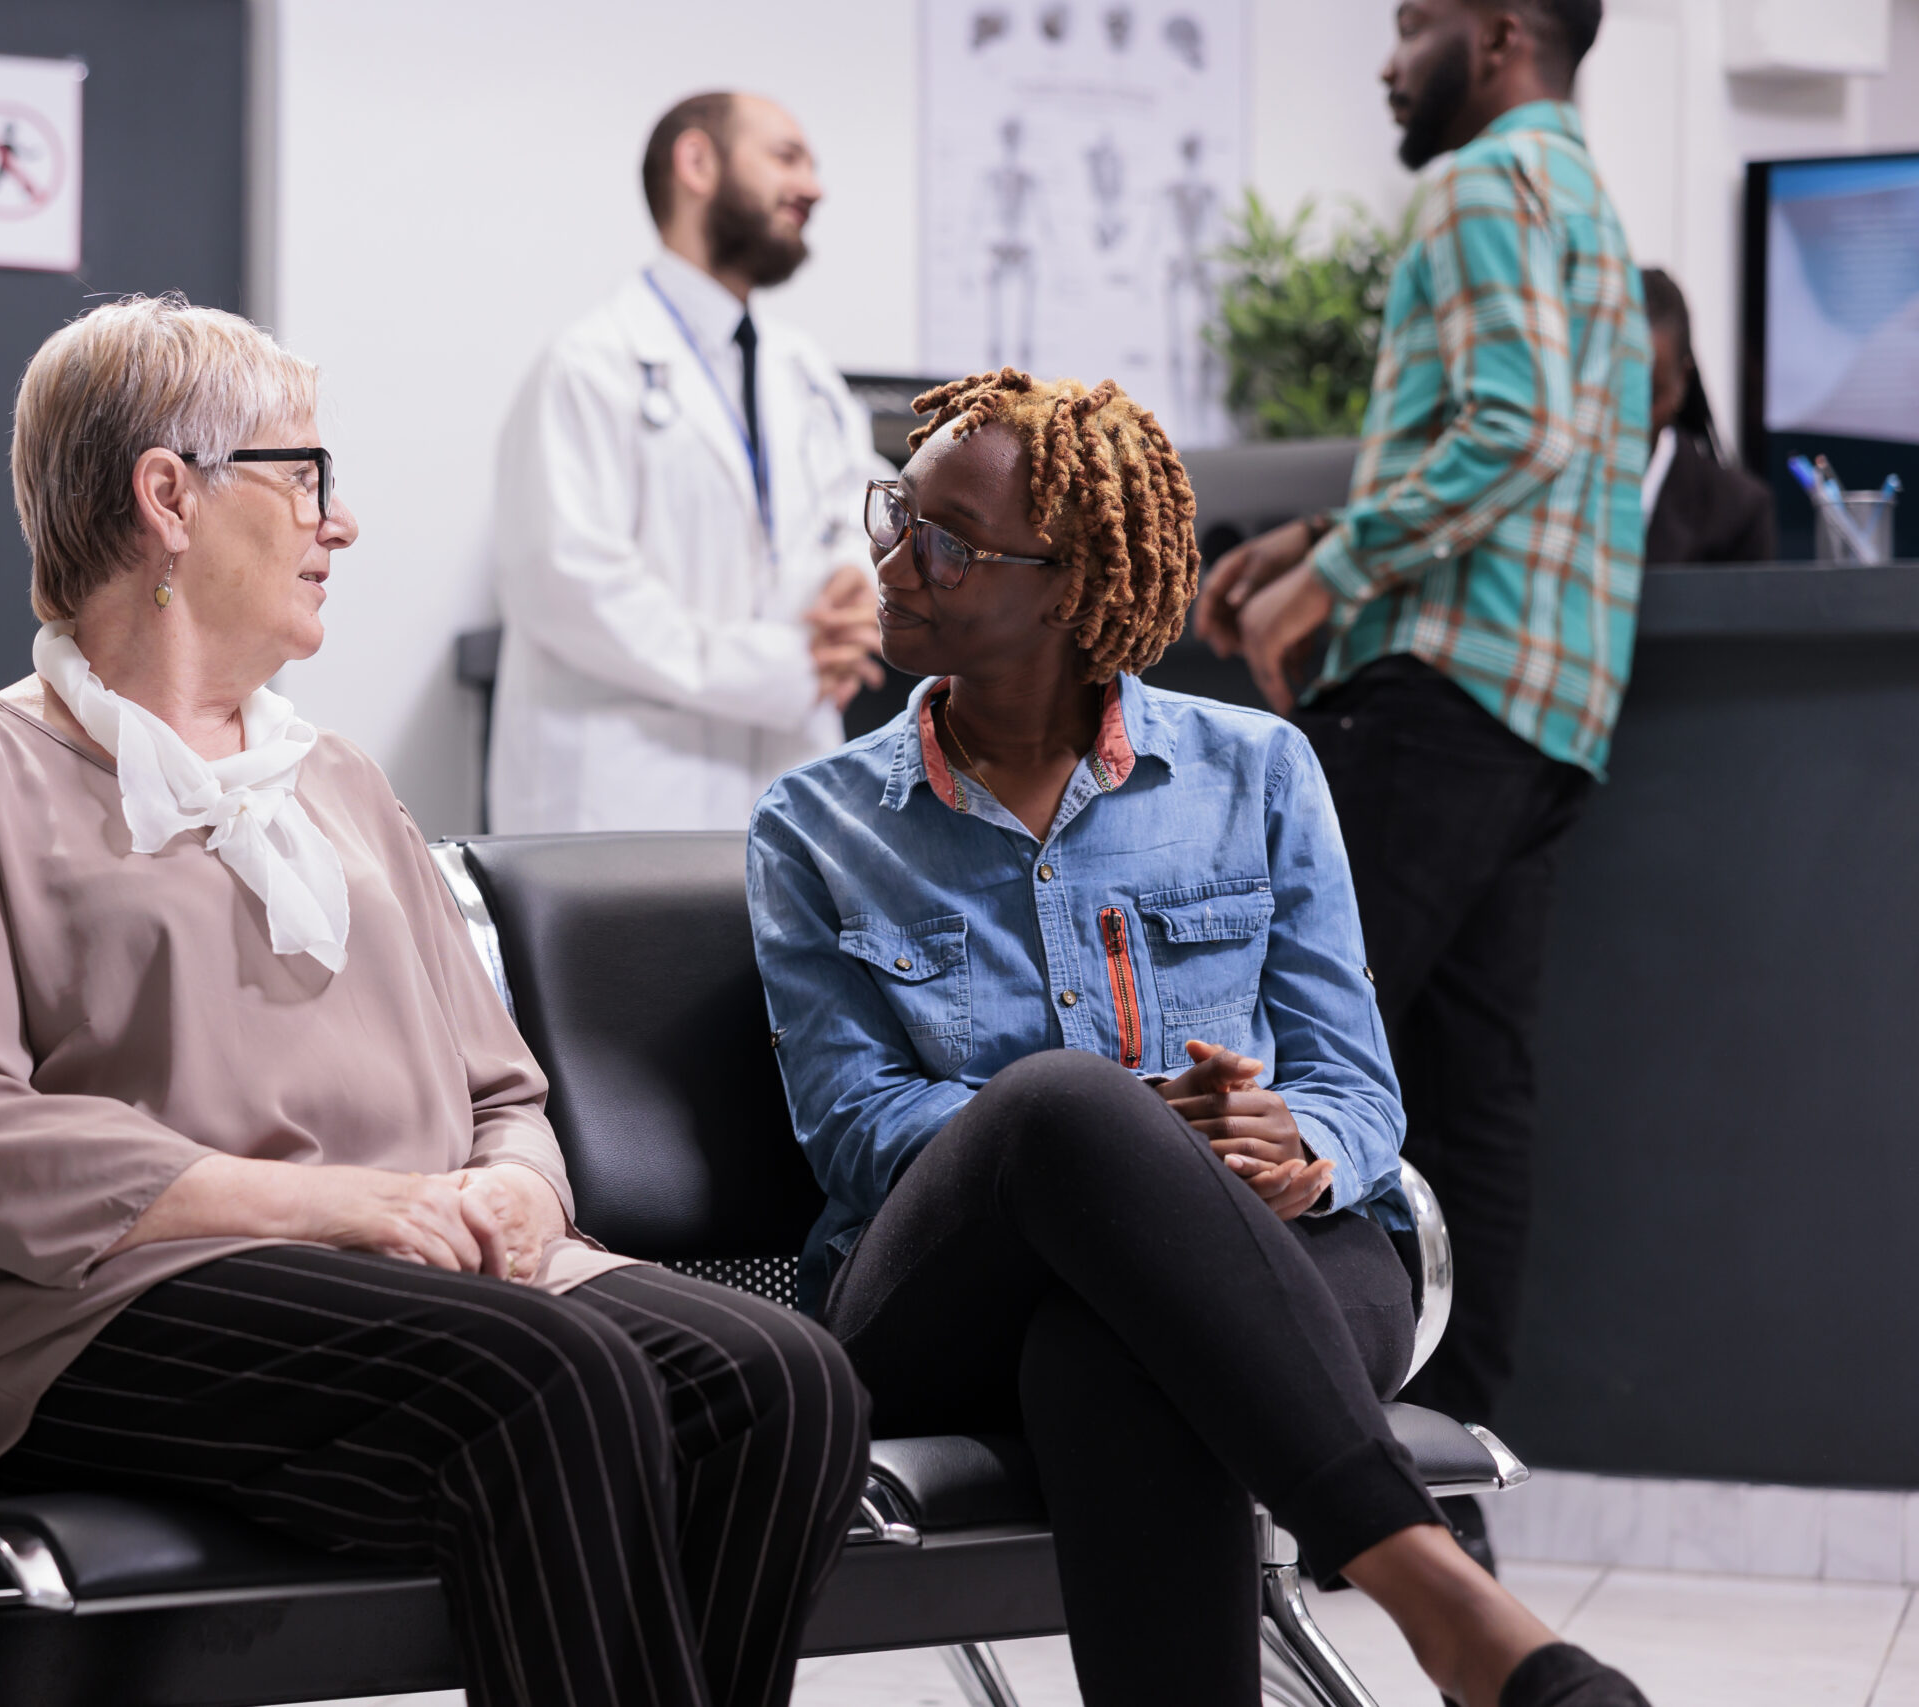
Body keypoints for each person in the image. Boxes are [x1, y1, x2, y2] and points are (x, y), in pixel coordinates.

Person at [0, 295, 869, 1707]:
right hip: (101, 1317)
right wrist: (348, 1206)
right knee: (555, 1380)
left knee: (785, 1386)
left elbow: (504, 1089)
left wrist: (518, 1189)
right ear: (168, 497)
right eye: (306, 474)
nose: (342, 522)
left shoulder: (340, 781)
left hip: (430, 1285)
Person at [750, 368, 1650, 1707]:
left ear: (1066, 586)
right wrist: (1130, 1135)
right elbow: (857, 1126)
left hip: (1280, 1252)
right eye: (897, 514)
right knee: (1064, 1105)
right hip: (944, 1295)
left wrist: (1298, 1147)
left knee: (1112, 1352)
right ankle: (1439, 1594)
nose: (891, 561)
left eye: (946, 542)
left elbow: (1355, 1089)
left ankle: (1443, 1609)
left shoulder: (1259, 771)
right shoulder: (813, 824)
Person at [1194, 0, 1648, 1568]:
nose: (1390, 60)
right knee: (1472, 1097)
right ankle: (1436, 1509)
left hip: (1440, 687)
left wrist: (1326, 582)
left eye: (1412, 24)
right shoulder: (1585, 199)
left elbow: (1512, 429)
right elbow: (1529, 430)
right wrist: (1315, 535)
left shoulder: (1473, 180)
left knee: (1294, 1059)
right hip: (1551, 707)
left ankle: (1296, 1481)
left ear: (1501, 31)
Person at [489, 91, 886, 833]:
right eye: (787, 157)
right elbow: (572, 587)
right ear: (697, 163)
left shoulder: (804, 372)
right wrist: (786, 667)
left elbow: (862, 510)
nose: (814, 187)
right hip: (626, 800)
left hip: (789, 782)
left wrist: (856, 585)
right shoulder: (588, 365)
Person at [1639, 266, 1775, 565]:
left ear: (1682, 381)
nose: (1632, 419)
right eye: (1617, 393)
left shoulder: (1738, 512)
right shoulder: (1556, 492)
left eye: (1651, 396)